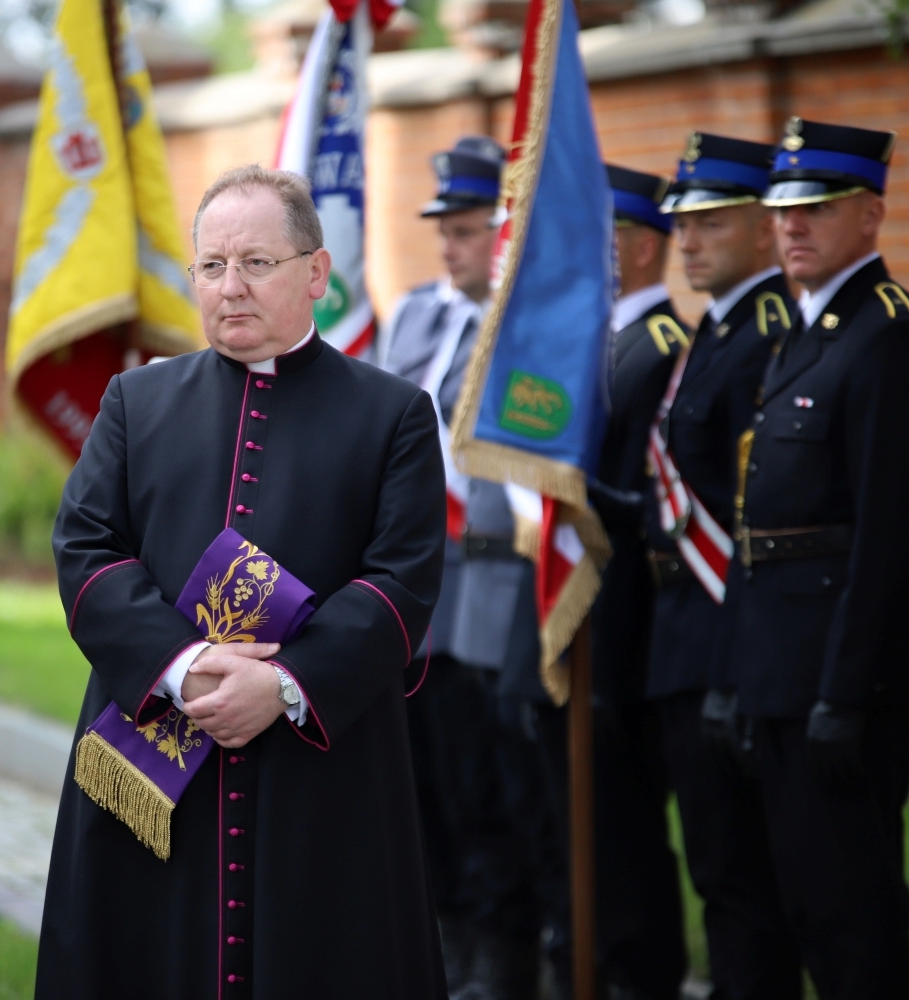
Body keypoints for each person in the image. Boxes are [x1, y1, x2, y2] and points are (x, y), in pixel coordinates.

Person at [38, 165, 447, 999]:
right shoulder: (135, 401)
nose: (231, 287)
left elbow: (401, 582)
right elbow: (85, 548)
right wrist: (185, 668)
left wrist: (284, 685)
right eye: (212, 266)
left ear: (317, 274)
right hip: (157, 741)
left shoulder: (393, 413)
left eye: (257, 263)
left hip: (321, 763)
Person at [727, 118, 909, 998]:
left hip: (842, 678)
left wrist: (843, 692)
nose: (792, 226)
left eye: (816, 208)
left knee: (852, 917)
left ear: (871, 214)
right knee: (804, 908)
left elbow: (891, 535)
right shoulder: (808, 330)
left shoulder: (890, 333)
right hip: (782, 673)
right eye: (784, 209)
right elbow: (763, 529)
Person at [379, 136, 554, 999]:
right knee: (429, 782)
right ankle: (443, 940)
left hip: (492, 580)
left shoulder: (530, 326)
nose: (451, 245)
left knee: (498, 785)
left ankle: (504, 951)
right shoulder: (414, 315)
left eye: (469, 228)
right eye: (443, 228)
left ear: (507, 230)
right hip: (419, 588)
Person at [647, 133, 805, 1000]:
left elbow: (751, 511)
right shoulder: (716, 330)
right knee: (717, 868)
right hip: (684, 635)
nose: (690, 240)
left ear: (759, 224)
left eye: (710, 221)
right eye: (682, 223)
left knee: (746, 881)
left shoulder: (765, 332)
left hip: (727, 638)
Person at [528, 164, 690, 1000]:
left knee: (624, 836)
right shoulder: (599, 348)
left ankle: (638, 978)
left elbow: (642, 518)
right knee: (580, 833)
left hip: (621, 633)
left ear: (634, 246)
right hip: (575, 626)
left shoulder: (659, 350)